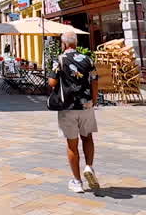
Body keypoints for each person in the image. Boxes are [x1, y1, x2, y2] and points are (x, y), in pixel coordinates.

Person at [47, 32, 100, 194]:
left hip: (68, 106)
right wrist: (94, 99)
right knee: (88, 137)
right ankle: (89, 166)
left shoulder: (60, 59)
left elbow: (52, 82)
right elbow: (95, 80)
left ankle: (77, 181)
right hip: (86, 105)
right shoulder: (88, 59)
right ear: (76, 44)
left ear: (63, 44)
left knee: (72, 144)